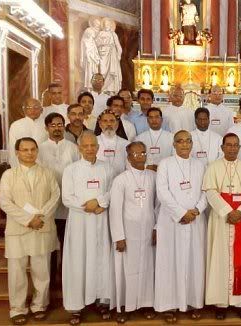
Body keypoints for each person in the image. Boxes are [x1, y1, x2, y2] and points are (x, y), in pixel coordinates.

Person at [0, 137, 60, 325]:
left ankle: (39, 305)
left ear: (37, 151)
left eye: (33, 149)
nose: (29, 153)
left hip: (41, 227)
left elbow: (55, 197)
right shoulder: (8, 175)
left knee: (41, 269)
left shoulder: (47, 173)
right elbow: (5, 203)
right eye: (24, 150)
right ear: (17, 152)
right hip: (17, 229)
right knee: (17, 271)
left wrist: (39, 218)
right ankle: (17, 308)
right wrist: (28, 220)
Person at [154, 130, 207, 323]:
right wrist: (181, 213)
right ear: (174, 144)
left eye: (188, 141)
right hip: (171, 222)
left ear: (192, 144)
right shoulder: (165, 164)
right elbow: (162, 192)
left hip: (195, 221)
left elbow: (205, 191)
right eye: (180, 141)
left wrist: (196, 210)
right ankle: (169, 304)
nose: (185, 145)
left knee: (194, 261)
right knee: (170, 263)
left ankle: (193, 302)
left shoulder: (200, 165)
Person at [203, 133, 241, 320]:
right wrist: (227, 211)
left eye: (235, 145)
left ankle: (240, 302)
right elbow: (210, 192)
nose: (232, 148)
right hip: (221, 220)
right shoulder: (213, 167)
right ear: (222, 147)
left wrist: (240, 212)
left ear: (239, 148)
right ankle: (221, 304)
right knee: (220, 259)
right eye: (229, 145)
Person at [62, 131, 113, 325]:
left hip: (101, 220)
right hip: (79, 223)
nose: (90, 149)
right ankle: (76, 306)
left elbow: (111, 191)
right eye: (86, 146)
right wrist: (88, 206)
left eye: (93, 146)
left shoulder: (107, 168)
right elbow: (67, 198)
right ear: (79, 148)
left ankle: (102, 300)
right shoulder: (71, 170)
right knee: (79, 261)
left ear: (98, 147)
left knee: (101, 260)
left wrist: (100, 202)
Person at [109, 141, 157, 323]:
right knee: (126, 269)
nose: (141, 156)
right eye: (136, 154)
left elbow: (158, 205)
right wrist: (119, 236)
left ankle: (146, 304)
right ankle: (124, 307)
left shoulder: (152, 176)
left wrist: (156, 228)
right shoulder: (121, 179)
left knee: (147, 267)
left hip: (148, 232)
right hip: (128, 234)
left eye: (143, 153)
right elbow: (115, 210)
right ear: (128, 157)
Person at [37, 113, 80, 284]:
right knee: (49, 245)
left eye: (60, 124)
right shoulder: (39, 148)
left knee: (67, 242)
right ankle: (51, 279)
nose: (57, 128)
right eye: (53, 125)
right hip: (47, 203)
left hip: (69, 204)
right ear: (46, 128)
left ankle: (67, 278)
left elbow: (78, 173)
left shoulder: (73, 147)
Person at [8, 98, 48, 167]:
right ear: (24, 110)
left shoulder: (47, 124)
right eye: (29, 107)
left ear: (41, 110)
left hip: (44, 166)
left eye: (36, 107)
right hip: (22, 167)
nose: (33, 110)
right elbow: (13, 149)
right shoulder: (16, 125)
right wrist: (16, 168)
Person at [135, 108, 174, 172]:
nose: (154, 120)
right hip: (146, 172)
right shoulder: (139, 138)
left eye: (157, 117)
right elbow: (136, 158)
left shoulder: (171, 137)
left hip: (166, 172)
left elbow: (174, 157)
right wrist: (146, 166)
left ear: (161, 120)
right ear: (147, 120)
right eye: (151, 117)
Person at [95, 109, 130, 178]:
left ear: (117, 123)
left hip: (120, 180)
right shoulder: (93, 142)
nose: (109, 124)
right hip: (99, 180)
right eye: (105, 121)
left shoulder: (126, 144)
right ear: (99, 124)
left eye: (112, 121)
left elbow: (129, 167)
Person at [95, 18, 122, 94]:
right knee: (103, 71)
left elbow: (118, 46)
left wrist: (119, 55)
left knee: (112, 72)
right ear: (103, 25)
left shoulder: (113, 34)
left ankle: (111, 90)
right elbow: (95, 45)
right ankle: (103, 90)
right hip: (102, 54)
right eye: (106, 24)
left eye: (109, 24)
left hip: (112, 54)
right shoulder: (100, 34)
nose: (107, 25)